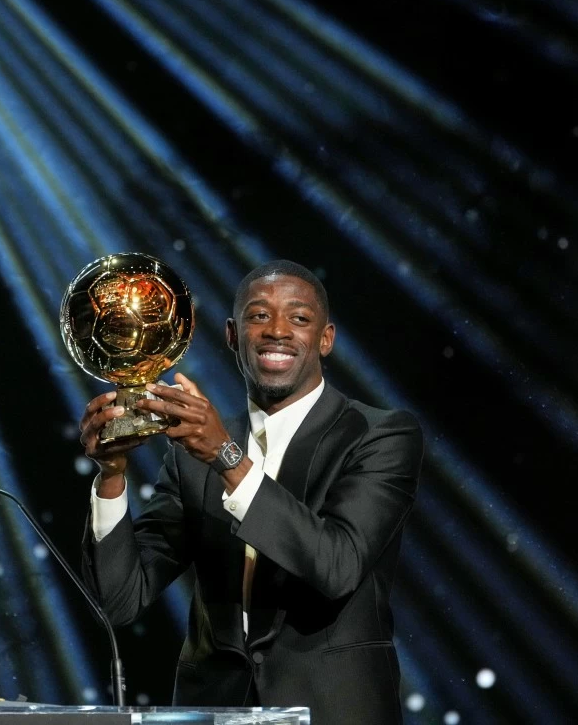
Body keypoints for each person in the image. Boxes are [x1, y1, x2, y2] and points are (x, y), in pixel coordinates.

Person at [78, 260, 423, 724]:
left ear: (325, 339)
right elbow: (119, 601)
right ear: (231, 335)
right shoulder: (190, 454)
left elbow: (337, 566)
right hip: (215, 712)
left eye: (299, 318)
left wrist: (226, 456)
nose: (277, 331)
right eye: (258, 316)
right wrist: (111, 475)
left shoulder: (379, 436)